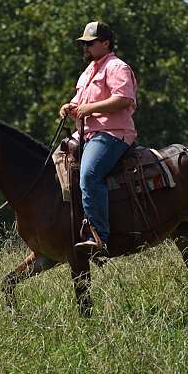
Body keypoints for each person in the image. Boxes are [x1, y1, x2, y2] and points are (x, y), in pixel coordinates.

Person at [59, 21, 138, 252]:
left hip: (112, 133)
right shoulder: (87, 72)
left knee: (90, 174)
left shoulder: (117, 67)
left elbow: (124, 99)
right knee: (54, 166)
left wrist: (89, 109)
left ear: (105, 43)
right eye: (84, 44)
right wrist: (69, 106)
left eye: (90, 44)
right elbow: (81, 103)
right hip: (87, 134)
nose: (85, 48)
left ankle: (99, 236)